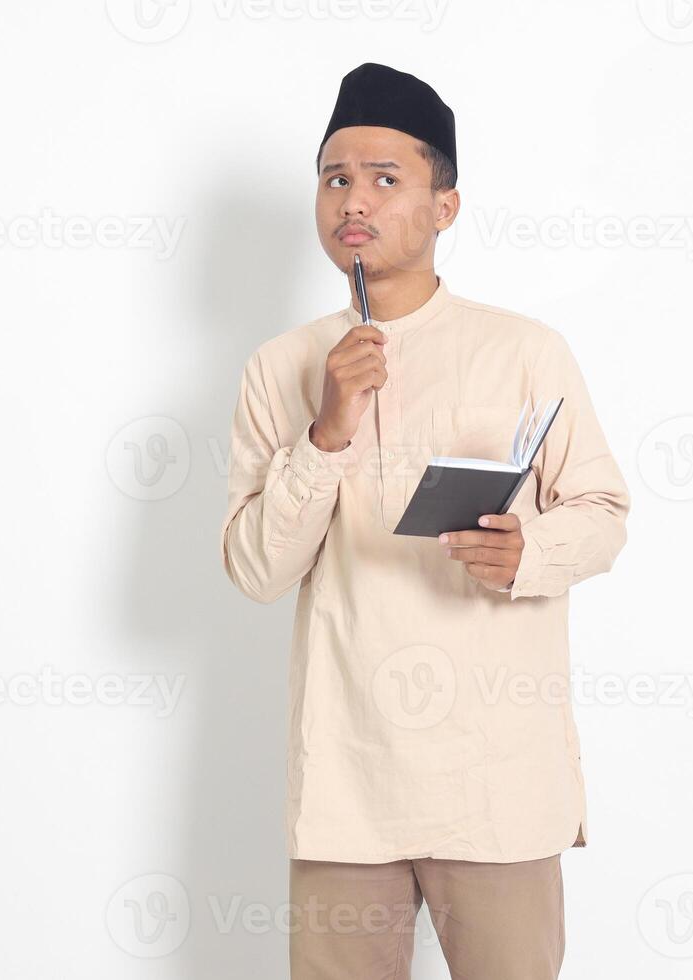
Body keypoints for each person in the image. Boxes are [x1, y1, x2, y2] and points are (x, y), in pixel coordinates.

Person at [219, 61, 630, 980]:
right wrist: (325, 432)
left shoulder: (523, 351)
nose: (353, 201)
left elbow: (603, 512)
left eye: (385, 179)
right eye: (335, 179)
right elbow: (254, 569)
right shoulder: (284, 367)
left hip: (495, 782)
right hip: (346, 783)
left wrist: (531, 549)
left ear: (445, 206)